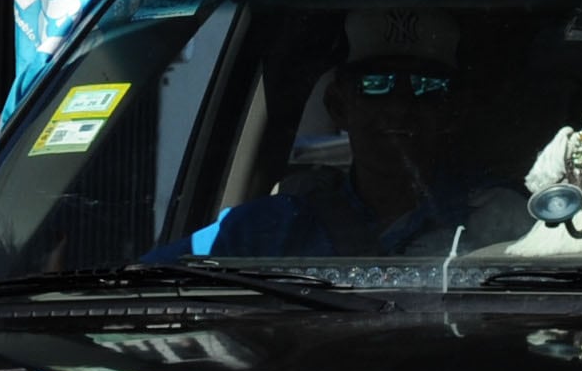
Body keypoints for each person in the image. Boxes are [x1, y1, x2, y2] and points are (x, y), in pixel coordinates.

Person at [192, 13, 516, 259]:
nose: (400, 107)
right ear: (338, 106)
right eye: (376, 84)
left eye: (426, 86)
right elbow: (157, 274)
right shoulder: (273, 225)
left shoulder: (505, 221)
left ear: (453, 110)